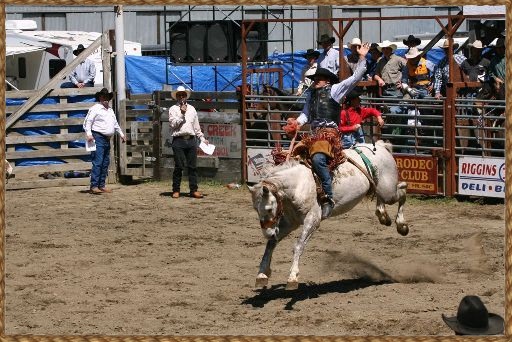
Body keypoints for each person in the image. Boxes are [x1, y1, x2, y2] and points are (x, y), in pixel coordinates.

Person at [287, 42, 370, 219]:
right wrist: (298, 124)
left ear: (327, 81)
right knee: (291, 157)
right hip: (315, 134)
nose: (315, 80)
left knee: (317, 158)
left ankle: (328, 195)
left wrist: (362, 57)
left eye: (319, 78)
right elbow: (305, 114)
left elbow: (356, 77)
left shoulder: (335, 90)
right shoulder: (311, 95)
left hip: (329, 134)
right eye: (315, 78)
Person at [168, 85, 209, 199]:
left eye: (183, 95)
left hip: (191, 140)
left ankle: (193, 190)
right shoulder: (173, 109)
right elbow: (173, 124)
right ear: (176, 97)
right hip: (178, 140)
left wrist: (202, 138)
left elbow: (196, 127)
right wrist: (181, 113)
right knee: (179, 166)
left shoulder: (192, 109)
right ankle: (176, 190)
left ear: (186, 96)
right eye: (179, 95)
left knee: (192, 166)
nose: (181, 97)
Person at [83, 88, 126, 194]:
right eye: (103, 96)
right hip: (98, 137)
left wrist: (121, 134)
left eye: (107, 97)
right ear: (100, 97)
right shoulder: (95, 108)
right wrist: (89, 134)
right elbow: (87, 122)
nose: (105, 98)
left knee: (105, 162)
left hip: (106, 139)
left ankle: (101, 185)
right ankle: (94, 186)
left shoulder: (110, 110)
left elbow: (115, 124)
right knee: (98, 162)